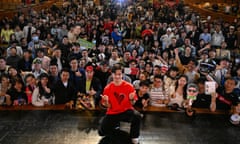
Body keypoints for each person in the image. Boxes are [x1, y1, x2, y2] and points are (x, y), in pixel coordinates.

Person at [99, 64, 142, 144]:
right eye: (115, 74)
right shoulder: (107, 88)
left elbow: (132, 103)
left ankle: (134, 137)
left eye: (119, 74)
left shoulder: (129, 86)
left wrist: (131, 99)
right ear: (112, 74)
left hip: (126, 111)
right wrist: (106, 102)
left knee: (137, 116)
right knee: (102, 132)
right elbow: (109, 106)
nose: (117, 77)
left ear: (122, 74)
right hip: (113, 112)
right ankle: (116, 126)